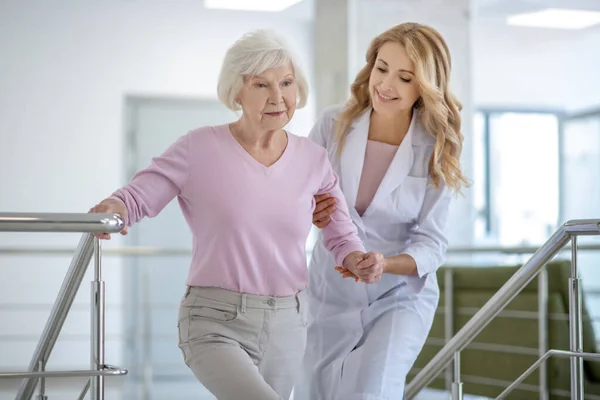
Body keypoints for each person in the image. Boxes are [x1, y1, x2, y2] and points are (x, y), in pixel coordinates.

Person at [88, 29, 384, 400]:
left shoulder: (313, 159)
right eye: (261, 85)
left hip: (288, 323)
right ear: (237, 92)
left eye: (286, 83)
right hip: (214, 321)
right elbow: (138, 196)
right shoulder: (199, 147)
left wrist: (359, 260)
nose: (278, 97)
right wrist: (113, 210)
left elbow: (341, 233)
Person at [296, 22, 469, 400]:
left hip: (399, 295)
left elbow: (433, 241)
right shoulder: (332, 124)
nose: (386, 85)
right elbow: (294, 194)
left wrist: (384, 264)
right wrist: (309, 209)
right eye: (381, 68)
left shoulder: (435, 146)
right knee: (316, 393)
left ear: (423, 86)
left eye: (404, 78)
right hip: (330, 291)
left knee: (371, 390)